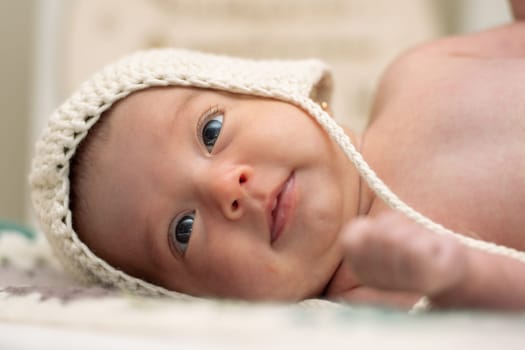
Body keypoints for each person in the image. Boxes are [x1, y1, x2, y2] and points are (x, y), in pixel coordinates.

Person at [30, 1, 525, 310]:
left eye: (211, 130)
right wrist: (463, 277)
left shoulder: (416, 72)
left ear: (268, 88)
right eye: (183, 229)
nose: (227, 186)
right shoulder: (381, 289)